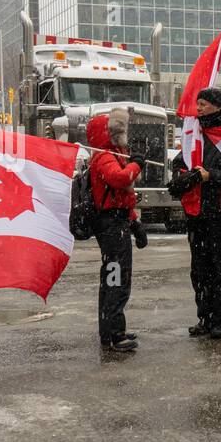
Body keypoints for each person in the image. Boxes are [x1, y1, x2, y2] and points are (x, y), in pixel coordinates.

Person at [168, 87, 221, 339]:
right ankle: (206, 317)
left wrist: (209, 175)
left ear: (217, 105)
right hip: (198, 214)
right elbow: (180, 162)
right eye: (198, 103)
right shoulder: (195, 133)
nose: (199, 107)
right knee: (200, 270)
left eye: (203, 103)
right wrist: (182, 176)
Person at [88, 111, 143, 352]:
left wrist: (133, 222)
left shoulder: (113, 154)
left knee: (116, 278)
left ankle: (112, 328)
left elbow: (122, 197)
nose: (122, 135)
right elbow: (120, 180)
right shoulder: (104, 157)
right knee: (116, 279)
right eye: (116, 131)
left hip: (117, 224)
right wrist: (136, 164)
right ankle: (113, 333)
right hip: (111, 228)